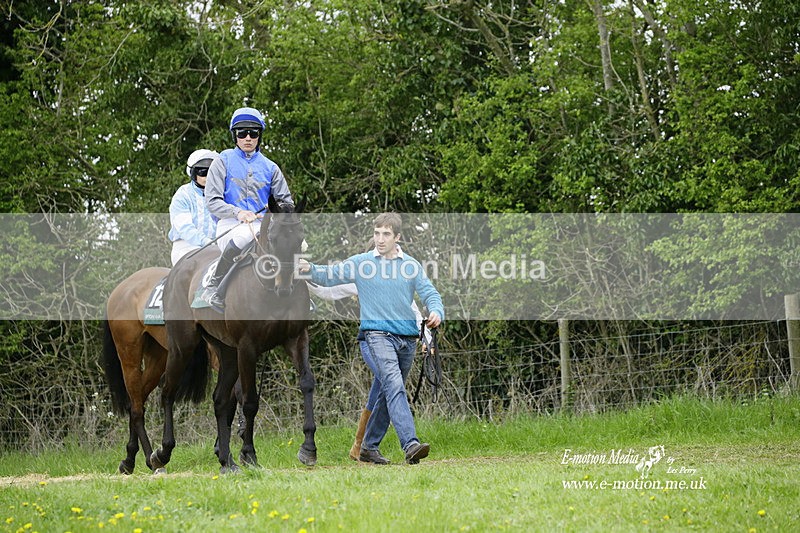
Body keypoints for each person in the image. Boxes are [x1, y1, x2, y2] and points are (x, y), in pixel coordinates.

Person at [300, 213, 444, 464]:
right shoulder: (362, 263)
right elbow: (328, 276)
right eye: (376, 233)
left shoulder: (410, 265)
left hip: (407, 340)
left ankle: (368, 447)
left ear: (397, 237)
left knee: (388, 391)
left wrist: (435, 311)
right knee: (395, 385)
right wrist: (308, 269)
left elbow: (430, 292)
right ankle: (410, 444)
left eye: (386, 234)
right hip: (376, 336)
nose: (380, 239)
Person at [200, 106, 295, 310]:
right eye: (242, 133)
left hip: (264, 226)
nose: (248, 138)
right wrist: (238, 212)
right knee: (244, 236)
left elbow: (286, 202)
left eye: (253, 133)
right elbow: (212, 201)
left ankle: (303, 292)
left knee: (295, 242)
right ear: (235, 135)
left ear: (259, 136)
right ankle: (214, 284)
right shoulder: (222, 161)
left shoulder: (271, 167)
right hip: (230, 224)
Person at [168, 149, 219, 266]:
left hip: (216, 247)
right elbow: (185, 228)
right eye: (203, 172)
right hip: (186, 247)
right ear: (193, 173)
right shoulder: (183, 195)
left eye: (212, 172)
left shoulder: (221, 195)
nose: (208, 176)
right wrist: (206, 242)